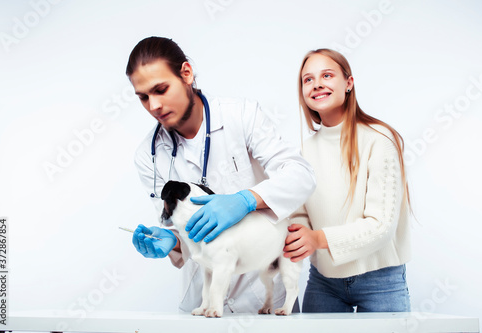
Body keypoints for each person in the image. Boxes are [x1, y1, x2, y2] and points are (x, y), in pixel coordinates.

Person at [125, 36, 316, 313]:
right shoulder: (148, 154)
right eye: (143, 97)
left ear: (186, 74)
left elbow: (300, 175)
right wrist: (171, 240)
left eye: (161, 89)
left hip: (262, 291)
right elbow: (177, 228)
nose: (153, 105)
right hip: (201, 299)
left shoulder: (242, 115)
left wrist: (246, 200)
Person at [283, 49, 411, 313]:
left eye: (327, 75)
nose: (317, 84)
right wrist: (300, 235)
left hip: (380, 280)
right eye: (308, 79)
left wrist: (317, 239)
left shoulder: (380, 139)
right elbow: (299, 213)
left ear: (348, 83)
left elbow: (381, 226)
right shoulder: (302, 151)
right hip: (324, 281)